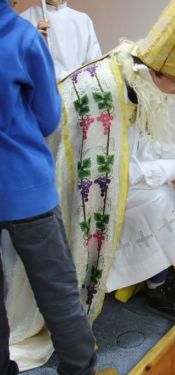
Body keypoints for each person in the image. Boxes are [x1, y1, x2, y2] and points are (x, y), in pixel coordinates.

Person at [37, 0, 175, 327]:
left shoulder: (131, 79)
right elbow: (102, 175)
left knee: (167, 182)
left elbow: (137, 146)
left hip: (101, 171)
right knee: (153, 196)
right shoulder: (105, 92)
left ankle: (163, 274)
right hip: (67, 187)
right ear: (152, 71)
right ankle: (157, 290)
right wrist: (170, 170)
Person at [0, 1, 115, 374]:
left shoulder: (75, 22)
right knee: (59, 292)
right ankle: (80, 369)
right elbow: (49, 117)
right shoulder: (22, 35)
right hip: (24, 186)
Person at [21, 0, 101, 81]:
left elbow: (95, 66)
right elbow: (17, 65)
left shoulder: (83, 20)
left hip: (79, 88)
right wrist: (33, 42)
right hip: (43, 88)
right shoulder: (25, 19)